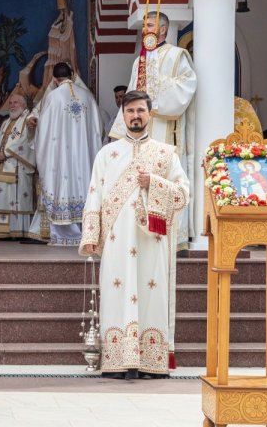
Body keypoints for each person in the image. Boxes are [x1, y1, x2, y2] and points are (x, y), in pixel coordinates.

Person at [80, 90, 189, 379]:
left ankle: (150, 362)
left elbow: (183, 194)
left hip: (151, 240)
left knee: (151, 294)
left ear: (149, 114)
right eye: (130, 111)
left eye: (141, 110)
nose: (136, 116)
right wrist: (91, 234)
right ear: (123, 115)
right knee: (117, 293)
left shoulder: (166, 154)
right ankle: (117, 360)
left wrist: (153, 182)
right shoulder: (107, 154)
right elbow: (94, 195)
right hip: (116, 241)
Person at [109, 14, 196, 236]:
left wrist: (157, 82)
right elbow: (131, 93)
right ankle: (138, 229)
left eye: (149, 25)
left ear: (163, 30)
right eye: (144, 26)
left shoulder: (178, 56)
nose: (144, 29)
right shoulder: (139, 60)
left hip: (164, 130)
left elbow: (186, 87)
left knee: (163, 178)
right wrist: (120, 132)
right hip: (140, 131)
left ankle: (170, 232)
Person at [29, 62, 104, 246]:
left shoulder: (53, 97)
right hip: (84, 158)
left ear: (54, 79)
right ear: (72, 75)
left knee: (61, 188)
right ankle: (86, 234)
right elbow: (97, 129)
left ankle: (65, 236)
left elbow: (44, 132)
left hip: (60, 159)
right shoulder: (87, 96)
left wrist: (41, 150)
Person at [0, 92, 37, 239]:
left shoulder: (27, 120)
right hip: (3, 166)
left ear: (23, 105)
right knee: (3, 196)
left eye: (15, 102)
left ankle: (17, 231)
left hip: (19, 167)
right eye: (10, 103)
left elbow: (25, 141)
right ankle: (4, 232)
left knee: (17, 199)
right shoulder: (6, 122)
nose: (12, 105)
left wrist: (6, 153)